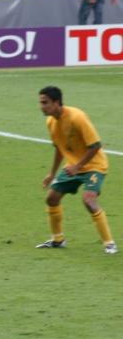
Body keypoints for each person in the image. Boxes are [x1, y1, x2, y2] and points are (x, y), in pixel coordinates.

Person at [36, 86, 115, 254]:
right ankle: (58, 240)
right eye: (41, 103)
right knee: (51, 198)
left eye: (45, 102)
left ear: (56, 102)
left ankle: (109, 244)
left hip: (94, 166)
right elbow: (59, 148)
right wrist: (52, 173)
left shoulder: (77, 117)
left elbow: (95, 145)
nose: (41, 106)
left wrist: (78, 166)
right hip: (73, 167)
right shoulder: (51, 122)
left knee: (89, 201)